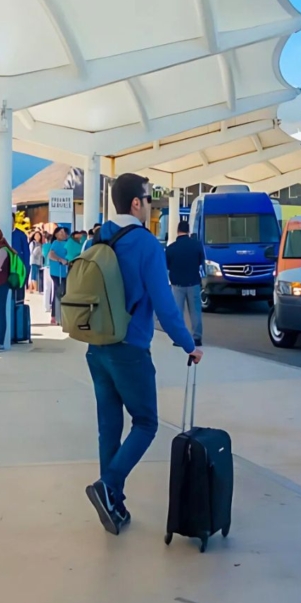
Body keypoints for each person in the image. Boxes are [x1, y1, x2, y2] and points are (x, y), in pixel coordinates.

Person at [84, 173, 203, 536]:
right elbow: (166, 307)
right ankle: (109, 486)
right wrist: (189, 344)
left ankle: (113, 501)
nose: (151, 205)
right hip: (130, 349)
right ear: (136, 203)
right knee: (146, 422)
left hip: (97, 346)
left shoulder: (98, 236)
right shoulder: (146, 244)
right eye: (149, 199)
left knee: (109, 428)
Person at [166, 219, 207, 347]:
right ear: (188, 231)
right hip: (193, 283)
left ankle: (179, 339)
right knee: (195, 312)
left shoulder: (171, 248)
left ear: (178, 231)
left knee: (178, 313)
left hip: (177, 285)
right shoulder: (197, 245)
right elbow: (201, 262)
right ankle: (197, 338)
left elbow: (167, 266)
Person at [47, 227, 71, 325]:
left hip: (66, 272)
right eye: (59, 232)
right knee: (59, 292)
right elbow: (51, 255)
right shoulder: (56, 243)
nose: (62, 234)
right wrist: (60, 259)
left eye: (63, 232)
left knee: (63, 292)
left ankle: (61, 315)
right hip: (57, 272)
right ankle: (55, 315)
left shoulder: (69, 243)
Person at [10, 215, 30, 301]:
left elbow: (26, 254)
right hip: (4, 271)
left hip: (18, 271)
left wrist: (26, 270)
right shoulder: (0, 234)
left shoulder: (21, 235)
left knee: (19, 297)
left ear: (14, 221)